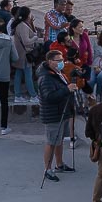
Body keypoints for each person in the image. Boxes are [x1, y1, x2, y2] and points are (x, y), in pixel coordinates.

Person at [38, 49, 78, 182]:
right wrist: (67, 89)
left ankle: (59, 164)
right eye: (59, 60)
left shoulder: (58, 73)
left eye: (62, 60)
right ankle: (47, 169)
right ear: (50, 62)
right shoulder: (46, 77)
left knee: (59, 140)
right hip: (53, 114)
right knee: (51, 142)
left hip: (62, 111)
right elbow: (49, 97)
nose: (62, 62)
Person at [11, 7, 39, 105]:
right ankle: (33, 95)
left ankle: (18, 95)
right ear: (27, 15)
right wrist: (35, 37)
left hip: (19, 54)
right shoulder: (22, 26)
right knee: (28, 75)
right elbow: (26, 41)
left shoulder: (19, 24)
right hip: (25, 55)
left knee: (18, 74)